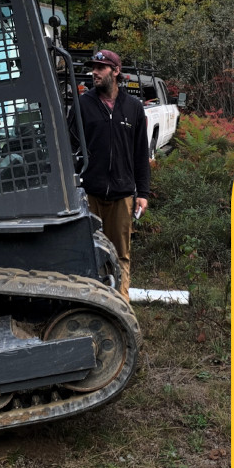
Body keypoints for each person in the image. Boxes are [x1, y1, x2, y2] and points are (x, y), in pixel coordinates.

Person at [75, 49, 150, 300]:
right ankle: (93, 303)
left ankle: (122, 304)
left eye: (101, 67)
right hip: (91, 193)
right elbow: (68, 145)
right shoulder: (83, 105)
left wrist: (143, 193)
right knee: (89, 252)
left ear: (116, 72)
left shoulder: (134, 108)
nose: (94, 72)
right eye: (93, 67)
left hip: (122, 194)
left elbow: (141, 154)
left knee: (119, 254)